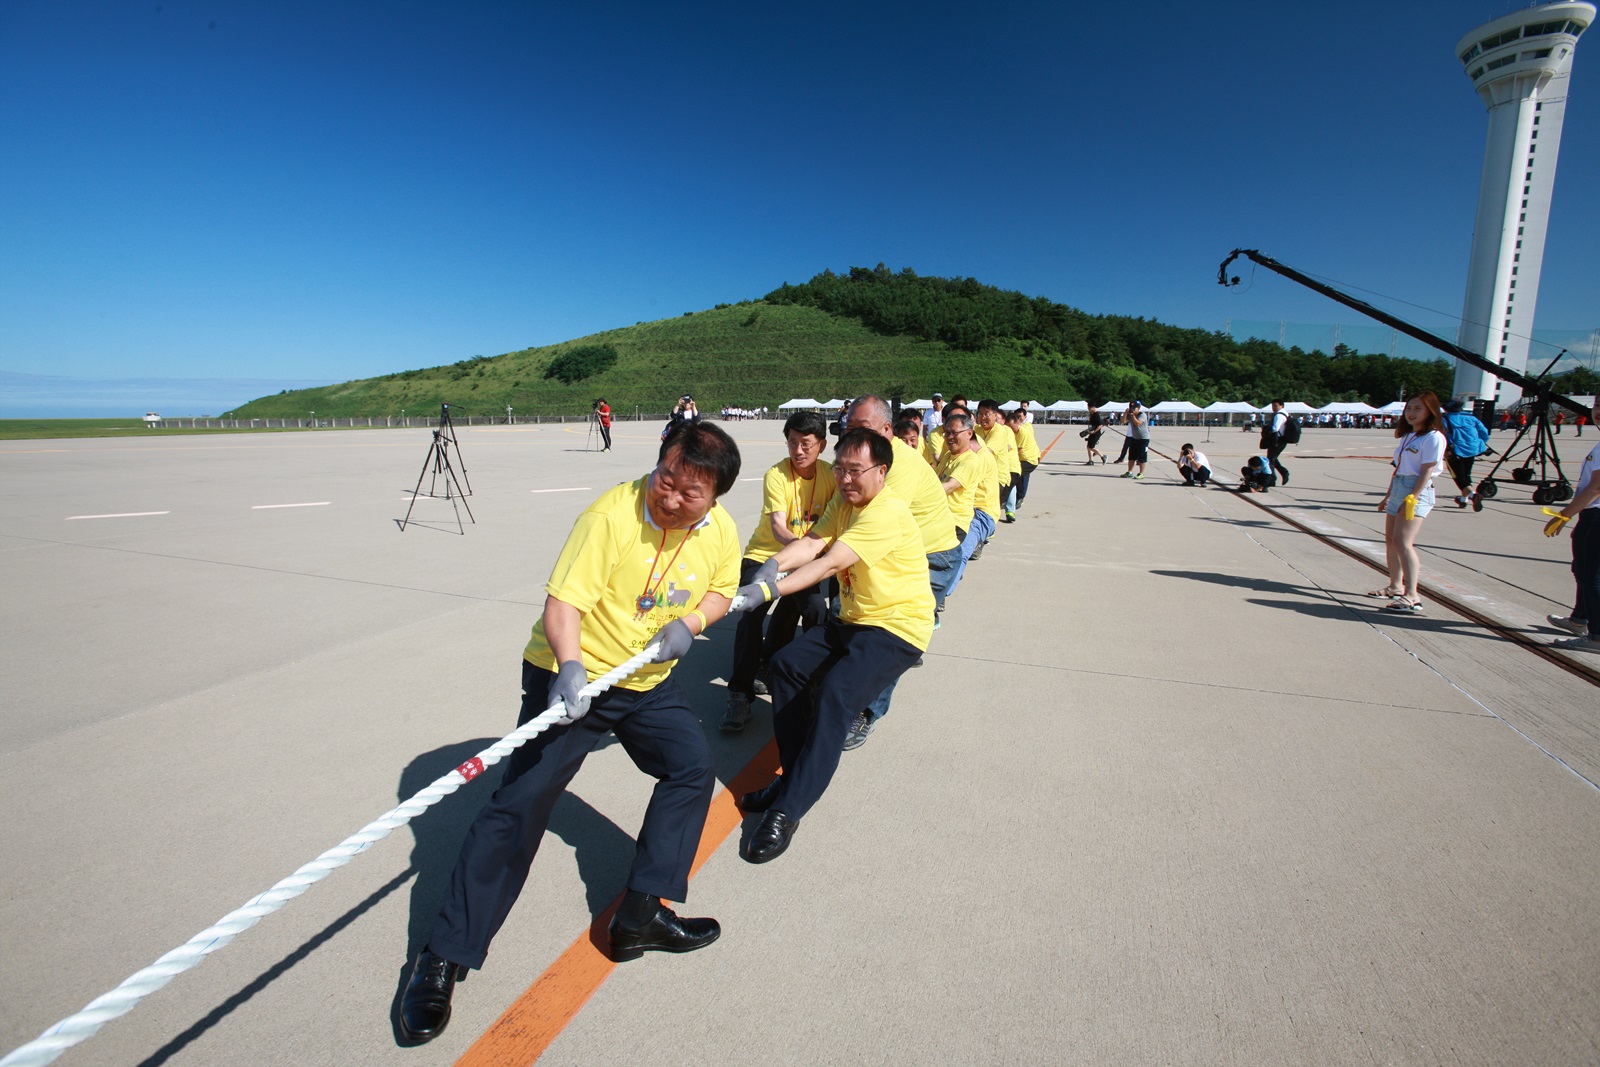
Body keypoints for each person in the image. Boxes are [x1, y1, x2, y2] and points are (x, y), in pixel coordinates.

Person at [398, 422, 743, 1044]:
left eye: (690, 492)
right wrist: (570, 667)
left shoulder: (719, 528)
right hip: (574, 678)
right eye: (667, 478)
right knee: (519, 808)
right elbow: (564, 606)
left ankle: (640, 913)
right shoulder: (609, 517)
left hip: (646, 681)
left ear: (715, 498)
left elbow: (722, 589)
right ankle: (444, 955)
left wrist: (692, 621)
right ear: (659, 463)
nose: (670, 497)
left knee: (692, 769)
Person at [728, 427, 934, 863]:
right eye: (840, 469)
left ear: (882, 472)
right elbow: (812, 543)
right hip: (855, 620)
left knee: (836, 694)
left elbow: (829, 564)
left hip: (896, 628)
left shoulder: (887, 512)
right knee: (786, 665)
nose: (844, 479)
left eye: (855, 471)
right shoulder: (845, 504)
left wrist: (768, 592)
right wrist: (770, 565)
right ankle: (794, 776)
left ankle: (788, 809)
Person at [723, 412, 837, 732]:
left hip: (806, 559)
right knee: (751, 614)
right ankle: (739, 695)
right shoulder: (777, 474)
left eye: (806, 444)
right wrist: (807, 551)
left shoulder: (831, 476)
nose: (798, 451)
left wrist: (817, 555)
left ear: (822, 445)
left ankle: (815, 682)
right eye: (792, 443)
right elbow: (777, 527)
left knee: (815, 610)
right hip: (765, 556)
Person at [1371, 391, 1447, 613]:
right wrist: (1388, 496)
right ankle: (1395, 586)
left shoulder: (1433, 437)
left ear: (1430, 411)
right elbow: (1398, 469)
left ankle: (1412, 595)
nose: (1412, 413)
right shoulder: (1409, 436)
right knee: (1390, 541)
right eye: (1409, 408)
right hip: (1399, 487)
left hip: (1417, 490)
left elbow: (1427, 470)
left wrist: (1412, 497)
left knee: (1403, 542)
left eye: (1418, 408)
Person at [1545, 395, 1600, 653]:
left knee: (1591, 574)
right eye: (1598, 405)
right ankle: (1580, 619)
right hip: (1590, 514)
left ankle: (1597, 635)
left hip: (1597, 514)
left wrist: (1564, 514)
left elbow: (1597, 487)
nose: (1598, 411)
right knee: (1582, 569)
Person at [976, 400, 1021, 520]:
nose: (983, 417)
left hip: (998, 477)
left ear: (995, 415)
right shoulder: (977, 430)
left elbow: (986, 452)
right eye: (980, 414)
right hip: (983, 476)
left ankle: (988, 532)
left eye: (987, 414)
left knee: (989, 508)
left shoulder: (999, 431)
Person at [1440, 399, 1490, 509]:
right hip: (1472, 450)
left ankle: (1473, 496)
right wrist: (1478, 443)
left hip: (1455, 451)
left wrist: (1445, 449)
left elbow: (1442, 435)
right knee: (1467, 475)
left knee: (1459, 477)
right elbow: (1484, 433)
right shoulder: (1471, 418)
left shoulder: (1445, 419)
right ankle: (1463, 500)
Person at [1005, 408, 1041, 508]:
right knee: (1016, 476)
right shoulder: (1012, 432)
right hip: (1021, 459)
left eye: (1012, 427)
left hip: (1030, 460)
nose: (1011, 430)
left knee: (1016, 475)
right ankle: (1012, 498)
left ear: (1018, 423)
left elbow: (1017, 451)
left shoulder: (1023, 432)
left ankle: (1019, 498)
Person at [1262, 400, 1293, 485]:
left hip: (1277, 439)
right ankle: (1282, 473)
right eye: (1272, 406)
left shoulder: (1279, 415)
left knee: (1270, 460)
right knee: (1272, 458)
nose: (1273, 408)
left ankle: (1273, 479)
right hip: (1282, 439)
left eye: (1275, 406)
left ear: (1281, 406)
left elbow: (1275, 428)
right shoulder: (1285, 413)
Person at [1120, 400, 1149, 480]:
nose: (1132, 409)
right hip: (1134, 438)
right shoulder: (1130, 415)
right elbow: (1122, 421)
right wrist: (1126, 413)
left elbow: (1138, 423)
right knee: (1132, 456)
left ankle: (1141, 473)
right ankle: (1130, 471)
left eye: (1134, 408)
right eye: (1131, 407)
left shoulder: (1142, 415)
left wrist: (1132, 416)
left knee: (1142, 456)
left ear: (1138, 408)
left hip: (1143, 438)